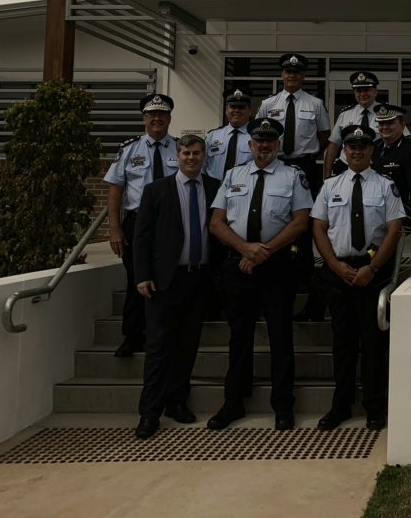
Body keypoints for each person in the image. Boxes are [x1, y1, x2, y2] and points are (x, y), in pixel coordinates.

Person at [207, 117, 313, 431]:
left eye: (269, 141)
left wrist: (261, 251)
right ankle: (233, 403)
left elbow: (300, 222)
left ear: (278, 145)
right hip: (238, 268)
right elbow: (216, 223)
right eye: (258, 140)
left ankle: (282, 406)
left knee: (281, 337)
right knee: (239, 338)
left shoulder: (294, 177)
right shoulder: (232, 176)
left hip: (278, 268)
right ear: (250, 144)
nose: (263, 145)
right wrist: (245, 250)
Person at [313, 124, 405, 432]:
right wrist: (335, 266)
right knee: (343, 344)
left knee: (373, 345)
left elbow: (394, 230)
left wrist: (373, 268)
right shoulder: (330, 187)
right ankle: (340, 406)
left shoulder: (385, 185)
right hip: (338, 273)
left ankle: (374, 407)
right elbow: (318, 229)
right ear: (344, 151)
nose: (356, 151)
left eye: (363, 147)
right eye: (351, 147)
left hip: (371, 272)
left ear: (372, 151)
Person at [132, 134, 222, 440]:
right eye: (186, 153)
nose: (191, 158)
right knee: (158, 348)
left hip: (199, 279)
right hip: (164, 281)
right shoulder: (156, 190)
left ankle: (177, 402)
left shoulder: (215, 188)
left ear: (204, 156)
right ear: (177, 156)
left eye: (197, 153)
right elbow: (142, 237)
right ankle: (149, 413)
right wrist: (142, 275)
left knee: (187, 346)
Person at [103, 93, 178, 358]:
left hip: (171, 225)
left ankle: (162, 334)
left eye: (162, 114)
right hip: (137, 225)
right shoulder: (129, 149)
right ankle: (132, 335)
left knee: (168, 279)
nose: (156, 119)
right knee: (136, 278)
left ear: (169, 118)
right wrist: (114, 227)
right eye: (151, 115)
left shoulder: (181, 149)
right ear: (144, 119)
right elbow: (115, 191)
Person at [257, 54, 330, 321]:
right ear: (282, 75)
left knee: (306, 222)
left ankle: (304, 276)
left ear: (304, 77)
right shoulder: (268, 104)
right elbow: (260, 134)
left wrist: (307, 156)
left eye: (296, 73)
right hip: (277, 165)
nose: (291, 77)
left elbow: (324, 137)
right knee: (276, 218)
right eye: (287, 73)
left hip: (305, 166)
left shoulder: (315, 104)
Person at [371, 104, 411, 228]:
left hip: (397, 218)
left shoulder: (409, 150)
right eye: (381, 124)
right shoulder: (374, 148)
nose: (385, 127)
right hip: (374, 216)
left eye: (390, 123)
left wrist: (407, 221)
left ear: (402, 126)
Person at [323, 70, 381, 178]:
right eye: (359, 91)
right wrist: (327, 174)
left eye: (367, 90)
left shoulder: (386, 114)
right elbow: (334, 145)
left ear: (375, 92)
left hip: (375, 168)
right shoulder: (345, 115)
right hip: (345, 168)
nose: (362, 94)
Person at [204, 89, 253, 181]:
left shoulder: (256, 137)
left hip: (244, 189)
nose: (237, 110)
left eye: (241, 107)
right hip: (214, 190)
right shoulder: (212, 136)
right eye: (233, 107)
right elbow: (203, 165)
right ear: (226, 110)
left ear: (250, 111)